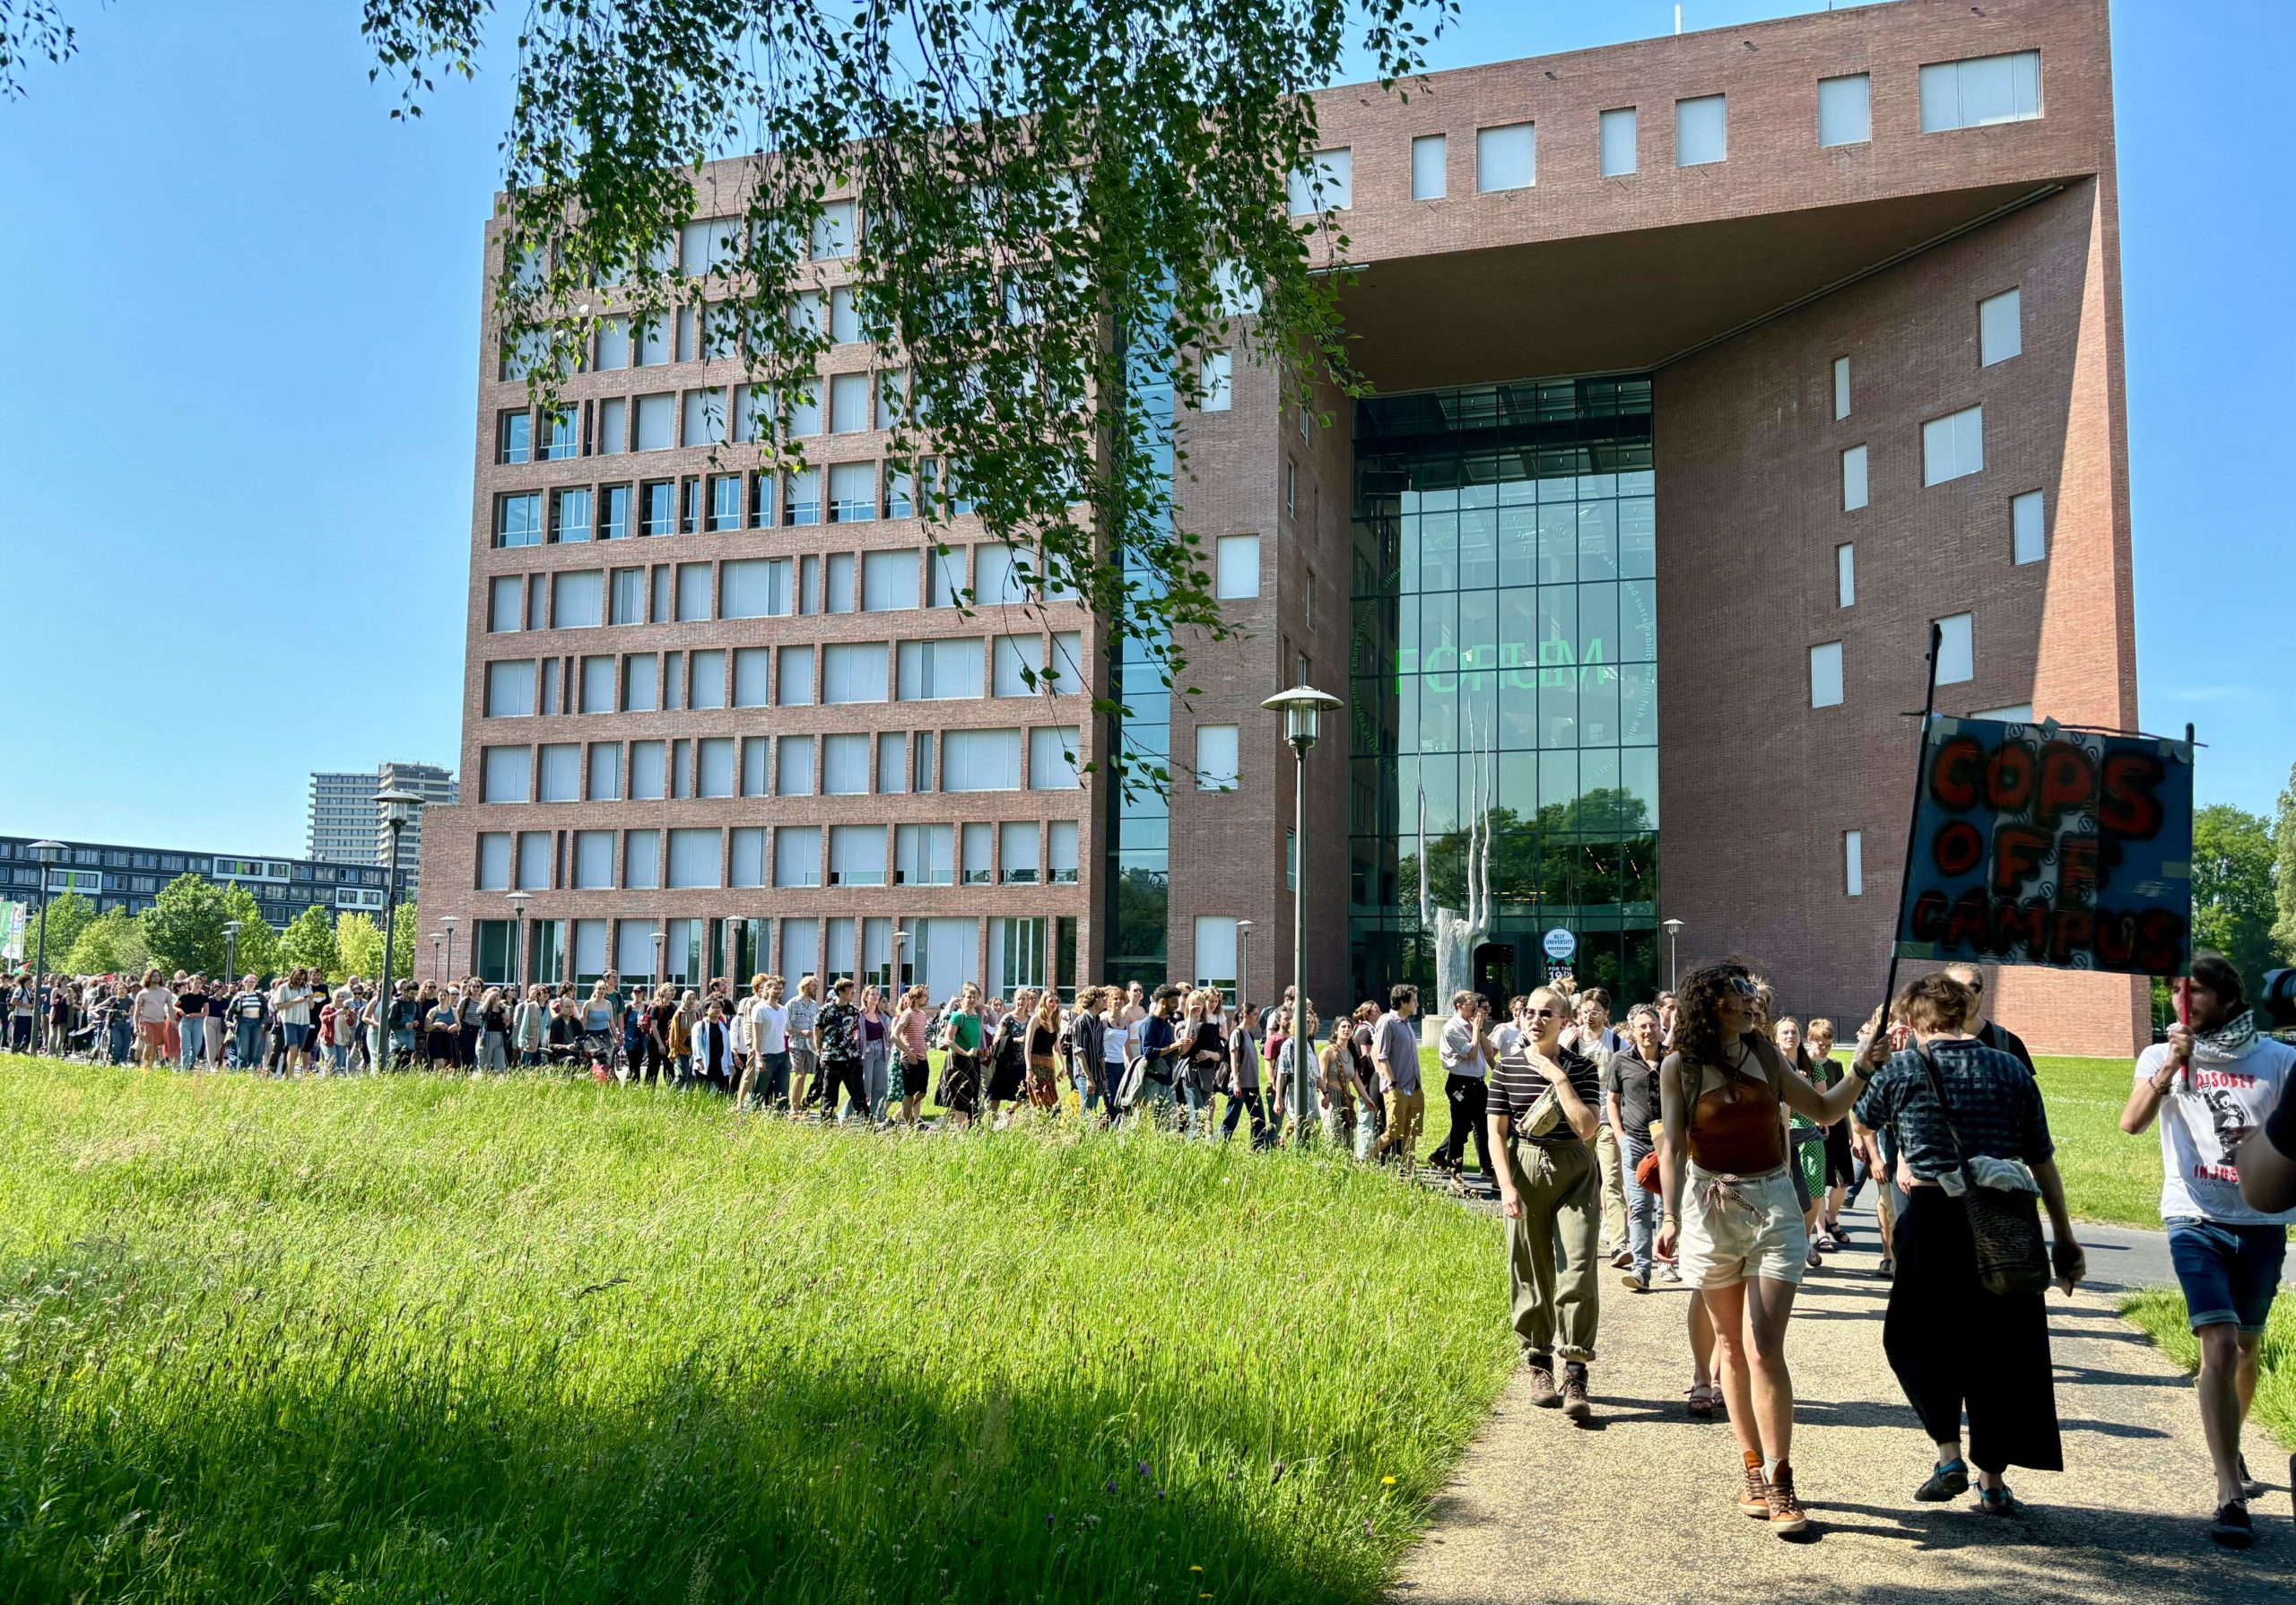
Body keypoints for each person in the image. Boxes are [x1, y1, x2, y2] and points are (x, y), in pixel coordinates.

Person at [1653, 961, 1874, 1536]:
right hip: (1709, 1207)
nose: (1751, 1001)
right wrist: (1670, 1216)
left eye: (1753, 992)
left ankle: (1781, 1478)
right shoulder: (1679, 1066)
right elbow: (1674, 1148)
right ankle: (1750, 1464)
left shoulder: (1769, 1057)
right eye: (1738, 992)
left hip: (1774, 1204)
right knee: (1730, 1342)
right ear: (1709, 1003)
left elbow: (1824, 1112)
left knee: (1764, 1346)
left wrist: (1865, 1071)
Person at [1856, 971, 2082, 1517]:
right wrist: (2064, 1238)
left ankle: (1947, 1452)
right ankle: (1993, 1480)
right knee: (1999, 1348)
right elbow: (2042, 1158)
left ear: (1915, 1020)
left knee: (1916, 1338)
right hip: (2007, 1219)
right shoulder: (2009, 1067)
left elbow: (1862, 1119)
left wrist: (1870, 1061)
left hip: (1933, 1217)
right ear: (1961, 1013)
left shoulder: (1904, 1067)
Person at [2118, 952, 2293, 1549]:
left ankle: (2231, 1441)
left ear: (2225, 997)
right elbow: (2131, 1123)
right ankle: (2229, 1493)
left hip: (2262, 1221)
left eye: (2193, 993)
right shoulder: (2159, 1055)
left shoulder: (2279, 1059)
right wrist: (2170, 1065)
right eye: (2172, 992)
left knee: (2246, 1347)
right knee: (2216, 1343)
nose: (2180, 1002)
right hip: (2192, 1214)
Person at [1486, 985, 1605, 1423]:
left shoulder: (1582, 1068)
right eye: (1529, 1012)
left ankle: (1575, 1369)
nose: (1535, 1020)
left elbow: (1588, 1127)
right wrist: (1507, 1187)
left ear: (1564, 1022)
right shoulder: (1506, 1069)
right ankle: (1539, 1363)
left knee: (1577, 1265)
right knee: (1529, 1266)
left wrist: (1558, 1077)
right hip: (1525, 1164)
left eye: (1546, 1014)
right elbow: (1496, 1133)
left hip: (1574, 1167)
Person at [1608, 1002, 1668, 1290]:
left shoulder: (1674, 1060)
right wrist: (1620, 1135)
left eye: (1652, 1025)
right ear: (1632, 1031)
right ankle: (1642, 1270)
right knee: (1641, 1208)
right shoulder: (1621, 1060)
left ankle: (1668, 1264)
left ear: (1660, 1028)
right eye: (1642, 1026)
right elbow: (1612, 1100)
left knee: (1667, 1208)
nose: (1648, 1031)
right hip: (1635, 1142)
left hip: (1668, 1145)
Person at [1428, 989, 1494, 1183]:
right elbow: (1472, 1053)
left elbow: (1488, 1052)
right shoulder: (1453, 1028)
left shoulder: (1474, 1025)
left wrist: (1480, 1029)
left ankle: (1487, 1167)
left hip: (1478, 1082)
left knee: (1484, 1126)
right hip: (1461, 1084)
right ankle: (1455, 1169)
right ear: (1459, 1006)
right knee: (1460, 1127)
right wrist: (1475, 1029)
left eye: (1475, 1001)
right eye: (1470, 1002)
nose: (1475, 1006)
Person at [1943, 960, 2035, 1076]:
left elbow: (2025, 1092)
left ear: (1982, 993)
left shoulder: (2009, 1043)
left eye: (1974, 987)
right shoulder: (1921, 1041)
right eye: (1957, 987)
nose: (1966, 994)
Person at [1371, 985, 1423, 1175]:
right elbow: (1382, 1055)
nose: (1417, 1003)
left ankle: (1410, 1173)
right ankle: (1364, 1162)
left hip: (1414, 1087)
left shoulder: (1407, 1022)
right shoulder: (1388, 1022)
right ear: (1403, 1002)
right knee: (1392, 1132)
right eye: (1414, 1000)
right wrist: (1393, 1084)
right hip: (1397, 1087)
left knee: (1412, 1133)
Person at [815, 977, 865, 1122]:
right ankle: (826, 1122)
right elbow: (817, 1031)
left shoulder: (854, 1011)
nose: (854, 993)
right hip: (831, 1057)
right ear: (841, 992)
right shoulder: (826, 1010)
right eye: (850, 990)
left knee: (857, 1090)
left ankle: (866, 1120)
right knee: (829, 1092)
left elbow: (854, 1031)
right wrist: (819, 1050)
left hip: (850, 1057)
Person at [937, 983, 985, 1127]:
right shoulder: (958, 1016)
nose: (972, 1000)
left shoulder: (975, 1016)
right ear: (962, 999)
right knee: (960, 1099)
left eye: (975, 997)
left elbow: (974, 1039)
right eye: (969, 997)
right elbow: (948, 1040)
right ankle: (961, 1134)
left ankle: (948, 1123)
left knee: (970, 1097)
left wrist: (980, 1050)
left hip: (973, 1061)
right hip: (958, 1061)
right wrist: (966, 1052)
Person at [891, 984, 932, 1125]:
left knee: (922, 1092)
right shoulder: (907, 1014)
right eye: (925, 995)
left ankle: (898, 1115)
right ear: (916, 997)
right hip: (909, 1059)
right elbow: (894, 1036)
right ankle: (909, 1126)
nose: (927, 998)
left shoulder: (923, 1014)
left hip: (922, 1057)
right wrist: (908, 1053)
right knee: (909, 1094)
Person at [786, 975, 822, 1116]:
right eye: (814, 985)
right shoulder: (792, 1003)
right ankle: (793, 1108)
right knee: (799, 1075)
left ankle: (798, 1103)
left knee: (805, 1076)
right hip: (796, 1045)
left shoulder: (814, 1005)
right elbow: (787, 1026)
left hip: (810, 1046)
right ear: (806, 986)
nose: (816, 988)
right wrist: (801, 1031)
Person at [1025, 991, 1064, 1113]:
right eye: (1051, 1001)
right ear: (1044, 1002)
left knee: (1052, 1101)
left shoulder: (1055, 1021)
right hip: (1036, 1063)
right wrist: (1029, 1068)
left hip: (1050, 1065)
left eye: (1056, 1001)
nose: (1054, 1004)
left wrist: (1062, 1067)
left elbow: (1057, 1048)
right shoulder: (1036, 1020)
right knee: (1039, 1099)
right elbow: (1028, 1046)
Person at [858, 984, 891, 1122]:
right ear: (866, 997)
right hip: (866, 1052)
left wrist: (888, 1048)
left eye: (877, 994)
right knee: (865, 1087)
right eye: (873, 994)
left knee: (880, 1087)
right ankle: (845, 1114)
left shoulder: (881, 1016)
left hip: (881, 1051)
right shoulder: (859, 1015)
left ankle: (871, 1116)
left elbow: (887, 1035)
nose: (876, 996)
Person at [176, 976, 211, 1071]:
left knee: (196, 1047)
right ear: (191, 984)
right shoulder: (185, 996)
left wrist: (195, 1014)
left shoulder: (204, 997)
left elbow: (206, 1013)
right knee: (185, 1047)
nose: (198, 985)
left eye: (199, 983)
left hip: (198, 1021)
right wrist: (179, 1010)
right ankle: (184, 1069)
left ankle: (191, 1063)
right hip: (185, 1022)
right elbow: (173, 1006)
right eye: (196, 983)